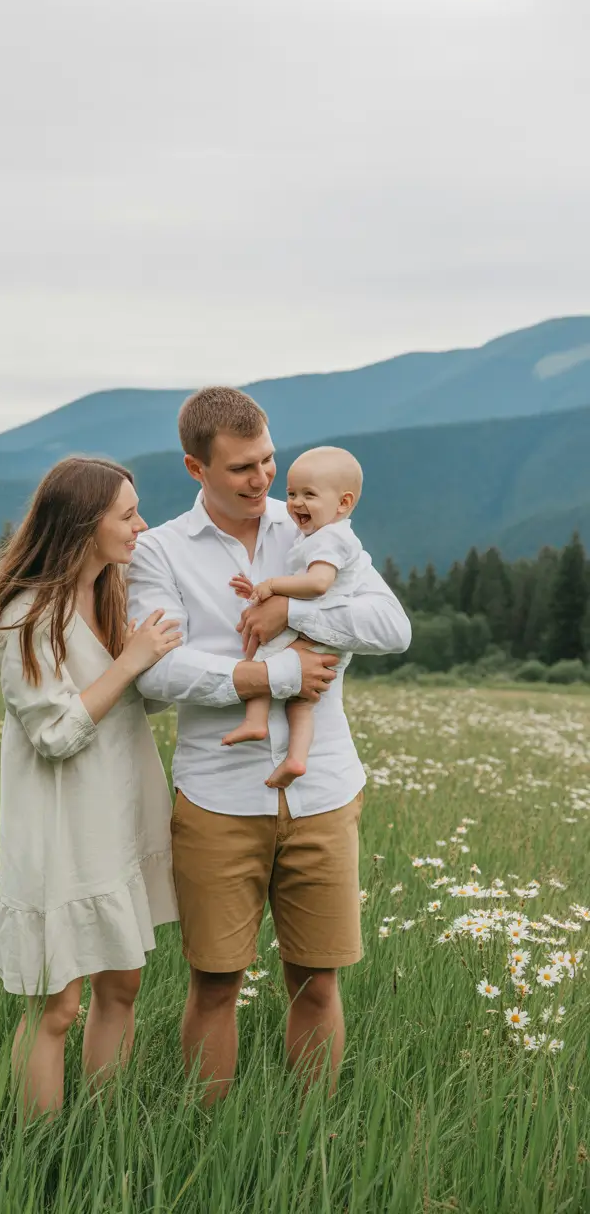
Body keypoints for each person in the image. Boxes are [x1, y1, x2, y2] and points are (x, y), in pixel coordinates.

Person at [126, 388, 411, 1102]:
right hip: (219, 796)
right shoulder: (160, 551)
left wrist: (297, 610)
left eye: (268, 461)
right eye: (241, 469)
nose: (263, 481)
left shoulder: (314, 527)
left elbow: (392, 627)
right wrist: (271, 674)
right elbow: (157, 671)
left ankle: (313, 1140)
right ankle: (206, 1138)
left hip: (324, 789)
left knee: (318, 982)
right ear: (196, 468)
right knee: (215, 982)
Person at [0, 456, 181, 1121]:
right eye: (127, 514)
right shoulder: (27, 614)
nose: (142, 525)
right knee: (57, 1006)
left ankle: (103, 1132)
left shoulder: (112, 594)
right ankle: (39, 1150)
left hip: (118, 815)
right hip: (61, 828)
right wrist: (133, 661)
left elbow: (141, 701)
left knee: (124, 984)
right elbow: (54, 732)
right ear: (85, 524)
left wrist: (159, 662)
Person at [223, 445, 369, 790]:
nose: (296, 503)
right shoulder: (324, 535)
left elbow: (317, 584)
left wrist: (272, 586)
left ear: (343, 503)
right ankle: (297, 759)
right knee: (301, 703)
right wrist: (260, 591)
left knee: (259, 661)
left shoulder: (329, 539)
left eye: (309, 495)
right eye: (291, 494)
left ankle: (255, 720)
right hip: (326, 640)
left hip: (315, 633)